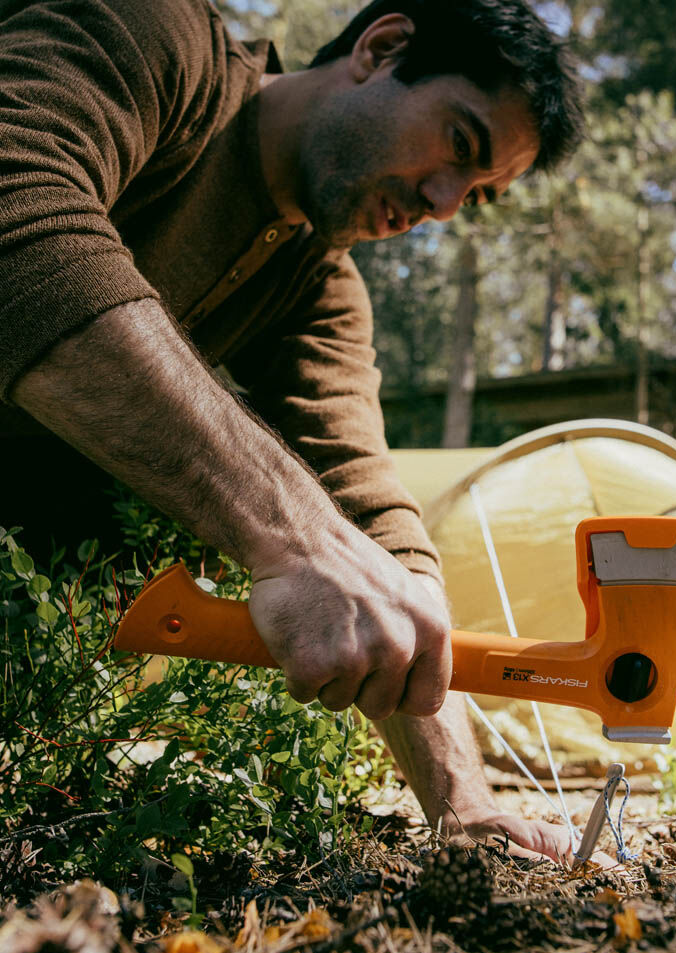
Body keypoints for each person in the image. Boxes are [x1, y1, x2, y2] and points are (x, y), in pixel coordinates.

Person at [0, 0, 585, 862]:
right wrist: (293, 536)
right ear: (383, 47)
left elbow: (372, 518)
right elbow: (16, 201)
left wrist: (463, 803)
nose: (444, 203)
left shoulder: (320, 289)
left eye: (479, 195)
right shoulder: (157, 35)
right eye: (459, 146)